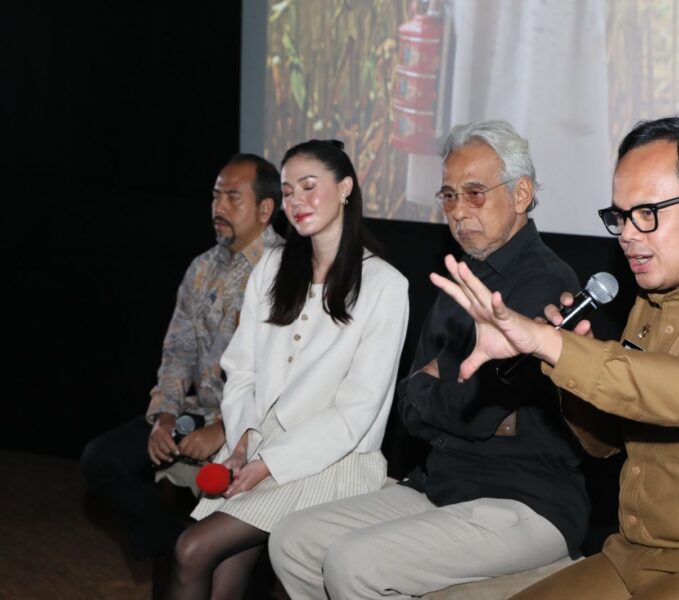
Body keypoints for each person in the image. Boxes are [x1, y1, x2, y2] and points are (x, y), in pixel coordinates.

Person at [432, 116, 679, 599]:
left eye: (647, 213)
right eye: (620, 216)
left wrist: (551, 344)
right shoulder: (652, 305)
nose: (627, 234)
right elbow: (606, 443)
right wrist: (562, 364)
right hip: (634, 556)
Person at [268, 120, 590, 599]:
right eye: (449, 196)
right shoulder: (461, 276)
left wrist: (437, 388)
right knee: (293, 540)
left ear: (521, 194)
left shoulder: (546, 282)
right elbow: (413, 407)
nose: (458, 211)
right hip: (442, 484)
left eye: (474, 194)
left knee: (354, 563)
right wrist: (440, 390)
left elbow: (475, 411)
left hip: (525, 500)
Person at [166, 139, 409, 599]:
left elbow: (356, 412)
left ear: (345, 188)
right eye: (288, 191)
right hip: (260, 441)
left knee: (192, 549)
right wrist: (244, 438)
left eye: (309, 186)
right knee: (220, 578)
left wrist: (269, 463)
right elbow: (241, 368)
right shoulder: (273, 266)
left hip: (333, 460)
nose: (297, 201)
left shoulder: (385, 285)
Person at [81, 154, 281, 561]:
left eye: (232, 198)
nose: (219, 207)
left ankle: (199, 559)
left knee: (239, 522)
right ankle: (180, 549)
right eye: (215, 196)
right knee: (102, 460)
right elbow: (178, 350)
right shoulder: (202, 267)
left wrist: (224, 429)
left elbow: (282, 375)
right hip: (197, 413)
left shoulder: (285, 273)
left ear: (265, 209)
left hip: (254, 429)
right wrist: (166, 416)